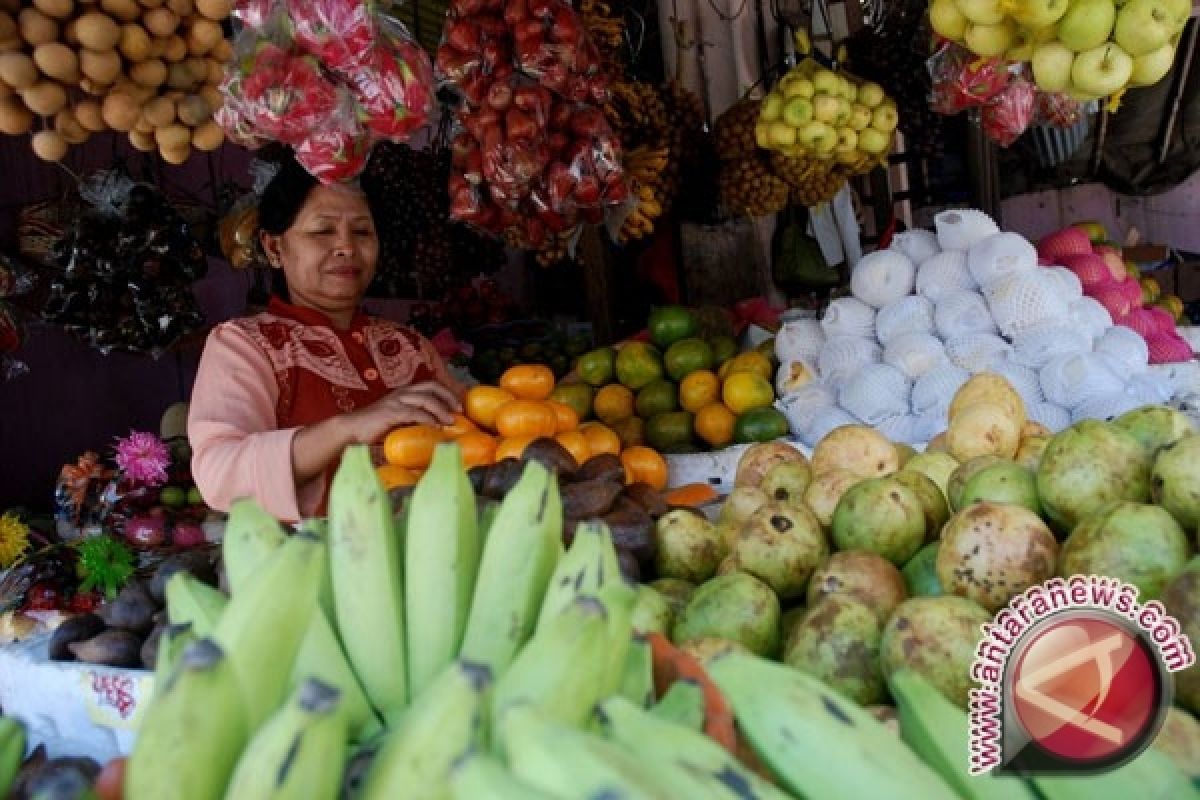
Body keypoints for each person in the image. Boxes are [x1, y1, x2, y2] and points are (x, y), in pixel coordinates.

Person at [188, 152, 463, 522]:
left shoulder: (411, 347)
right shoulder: (245, 345)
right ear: (274, 247)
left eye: (362, 232)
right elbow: (219, 475)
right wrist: (347, 428)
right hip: (316, 566)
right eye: (323, 231)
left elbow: (472, 435)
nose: (347, 247)